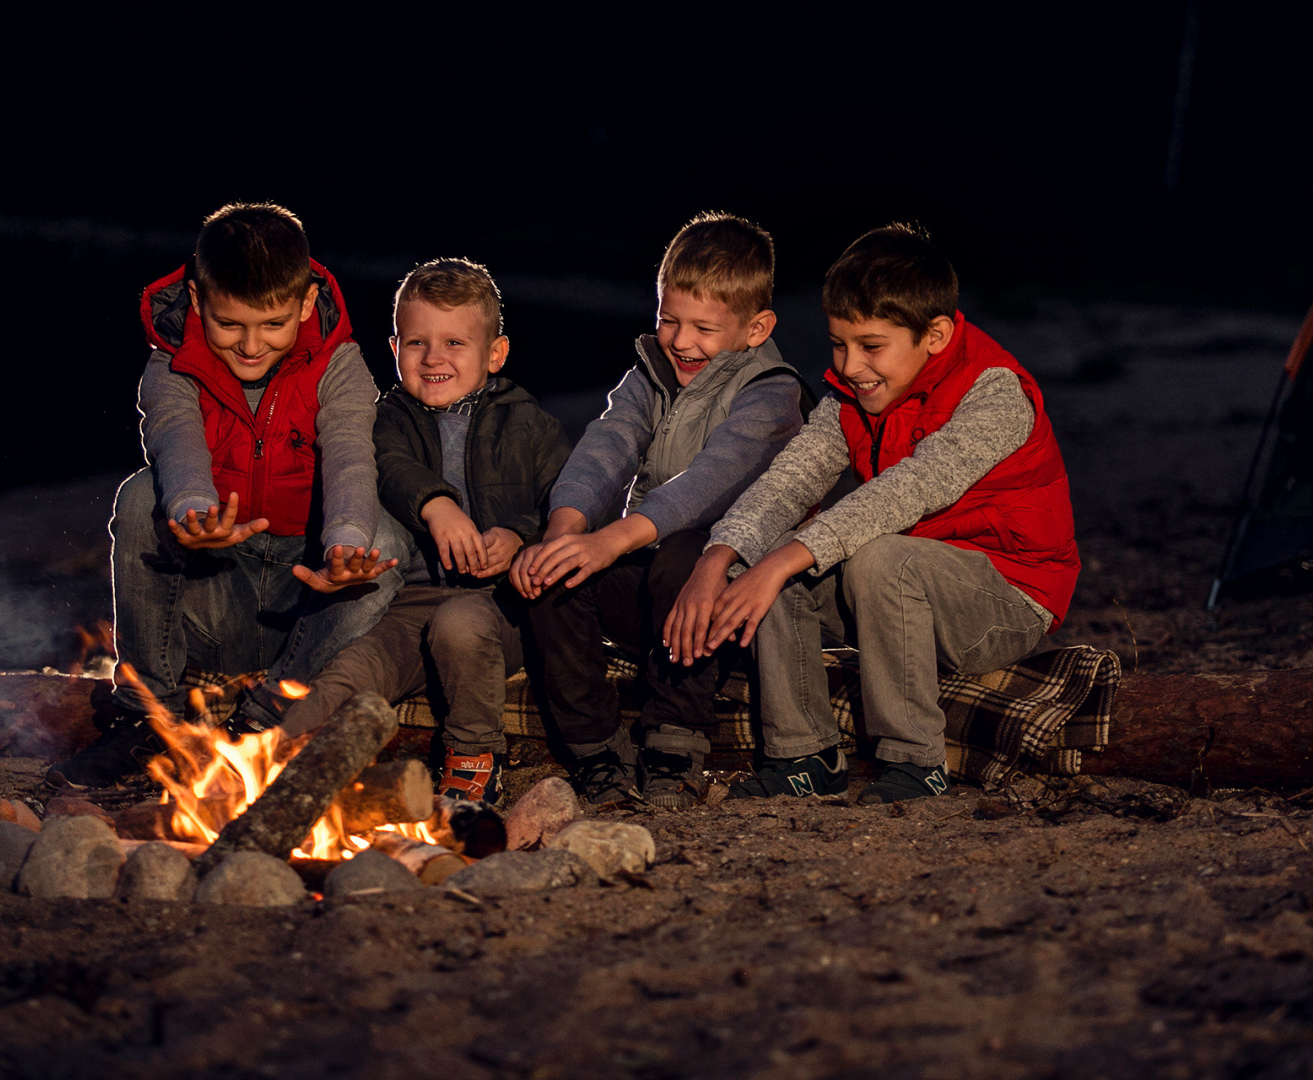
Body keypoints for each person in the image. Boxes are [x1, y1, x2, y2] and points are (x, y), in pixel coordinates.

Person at [666, 224, 1080, 804]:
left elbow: (909, 490)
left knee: (870, 557)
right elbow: (789, 481)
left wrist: (785, 558)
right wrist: (719, 557)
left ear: (935, 334)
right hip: (901, 587)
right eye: (839, 344)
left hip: (1008, 597)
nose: (852, 365)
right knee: (772, 553)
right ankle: (803, 755)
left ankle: (915, 761)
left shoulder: (994, 393)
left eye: (871, 346)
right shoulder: (851, 396)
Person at [48, 202, 402, 789]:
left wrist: (345, 544)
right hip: (215, 593)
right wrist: (191, 510)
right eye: (229, 324)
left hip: (303, 603)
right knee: (141, 499)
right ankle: (145, 719)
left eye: (272, 324)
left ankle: (260, 725)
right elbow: (174, 439)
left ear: (307, 302)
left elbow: (349, 456)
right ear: (197, 299)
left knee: (383, 546)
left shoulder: (342, 366)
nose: (250, 345)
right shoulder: (172, 364)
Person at [510, 212, 809, 809]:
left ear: (756, 328)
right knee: (554, 577)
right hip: (652, 580)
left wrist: (611, 540)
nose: (680, 341)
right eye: (668, 320)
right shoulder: (650, 377)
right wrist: (565, 531)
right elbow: (606, 447)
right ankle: (595, 749)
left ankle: (675, 743)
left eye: (703, 327)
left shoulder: (773, 392)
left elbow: (709, 482)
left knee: (681, 549)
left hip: (726, 595)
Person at [277, 259, 569, 804]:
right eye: (417, 343)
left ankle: (475, 756)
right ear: (395, 349)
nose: (433, 358)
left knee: (460, 625)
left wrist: (516, 538)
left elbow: (567, 504)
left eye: (455, 343)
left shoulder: (529, 424)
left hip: (498, 605)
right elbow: (386, 463)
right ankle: (268, 762)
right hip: (410, 601)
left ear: (495, 353)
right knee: (354, 666)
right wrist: (435, 504)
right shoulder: (389, 418)